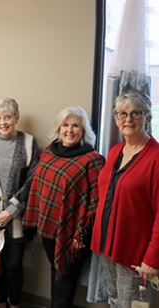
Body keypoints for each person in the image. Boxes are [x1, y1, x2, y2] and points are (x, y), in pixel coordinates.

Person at [23, 106, 105, 308]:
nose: (70, 130)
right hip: (48, 226)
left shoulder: (92, 160)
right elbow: (37, 187)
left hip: (74, 233)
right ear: (59, 128)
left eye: (75, 126)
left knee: (66, 275)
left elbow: (97, 204)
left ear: (83, 130)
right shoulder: (50, 152)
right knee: (56, 270)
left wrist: (83, 235)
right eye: (65, 125)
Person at [92, 90, 159, 308]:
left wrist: (152, 259)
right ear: (115, 119)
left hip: (135, 251)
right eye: (121, 114)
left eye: (135, 113)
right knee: (113, 298)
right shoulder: (116, 151)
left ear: (148, 118)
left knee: (129, 305)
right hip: (107, 244)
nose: (127, 119)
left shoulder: (156, 158)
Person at [0, 98, 39, 308]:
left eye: (7, 117)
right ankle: (1, 302)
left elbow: (32, 181)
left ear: (16, 118)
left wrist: (10, 211)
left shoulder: (29, 142)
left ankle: (15, 304)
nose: (3, 122)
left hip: (17, 217)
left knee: (14, 265)